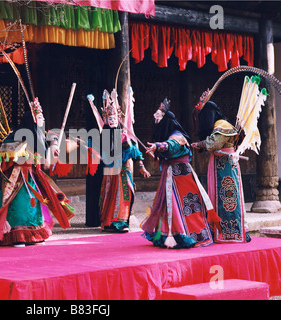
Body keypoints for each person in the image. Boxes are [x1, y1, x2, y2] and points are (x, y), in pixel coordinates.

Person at [0, 98, 73, 247]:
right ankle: (16, 236)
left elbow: (52, 135)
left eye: (43, 118)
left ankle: (35, 235)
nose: (42, 120)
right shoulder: (14, 136)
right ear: (32, 119)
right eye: (39, 117)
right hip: (15, 179)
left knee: (34, 208)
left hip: (32, 177)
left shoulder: (40, 134)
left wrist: (54, 147)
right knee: (19, 208)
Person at [142, 98, 216, 249]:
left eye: (159, 120)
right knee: (167, 206)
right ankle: (169, 235)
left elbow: (171, 146)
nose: (156, 122)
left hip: (182, 178)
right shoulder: (170, 136)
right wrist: (157, 155)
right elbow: (166, 157)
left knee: (186, 206)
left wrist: (158, 146)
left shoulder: (178, 136)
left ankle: (188, 235)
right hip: (170, 176)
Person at [191, 94, 251, 243]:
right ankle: (220, 230)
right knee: (220, 196)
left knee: (228, 197)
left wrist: (199, 144)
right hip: (220, 163)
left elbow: (213, 143)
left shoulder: (222, 125)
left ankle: (233, 231)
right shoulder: (220, 124)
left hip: (225, 166)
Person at [98, 90, 151, 233]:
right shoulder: (103, 137)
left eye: (115, 118)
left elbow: (135, 152)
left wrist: (141, 167)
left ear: (119, 120)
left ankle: (121, 223)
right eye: (110, 119)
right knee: (108, 196)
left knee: (123, 197)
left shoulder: (123, 136)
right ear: (106, 121)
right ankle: (108, 223)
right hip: (109, 173)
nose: (112, 121)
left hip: (122, 172)